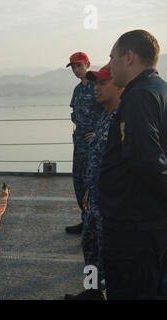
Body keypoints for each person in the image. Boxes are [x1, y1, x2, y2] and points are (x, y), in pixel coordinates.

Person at [99, 30, 167, 299]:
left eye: (112, 57)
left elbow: (146, 160)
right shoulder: (160, 89)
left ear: (129, 57)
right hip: (152, 222)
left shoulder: (138, 97)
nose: (110, 64)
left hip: (134, 227)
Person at [65, 65, 123, 300]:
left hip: (109, 205)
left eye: (102, 83)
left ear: (119, 87)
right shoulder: (106, 118)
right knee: (90, 249)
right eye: (95, 83)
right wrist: (89, 189)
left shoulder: (123, 121)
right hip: (95, 198)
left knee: (110, 254)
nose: (96, 88)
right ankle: (92, 290)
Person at [65, 52, 104, 234]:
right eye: (73, 67)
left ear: (87, 64)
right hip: (79, 143)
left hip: (94, 145)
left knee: (92, 183)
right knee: (79, 182)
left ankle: (95, 223)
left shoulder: (98, 87)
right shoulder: (77, 90)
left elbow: (109, 111)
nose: (76, 70)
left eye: (79, 65)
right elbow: (75, 115)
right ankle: (85, 220)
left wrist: (97, 132)